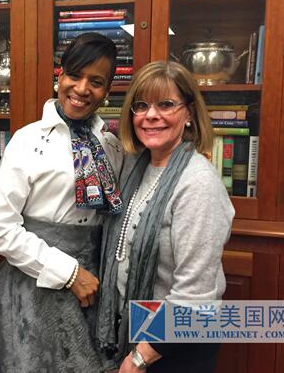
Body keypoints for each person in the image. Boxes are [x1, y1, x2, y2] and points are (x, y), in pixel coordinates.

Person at [0, 32, 123, 372]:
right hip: (33, 288)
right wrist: (70, 273)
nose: (82, 89)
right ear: (60, 75)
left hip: (93, 291)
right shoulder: (27, 141)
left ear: (107, 90)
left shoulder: (112, 146)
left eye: (96, 82)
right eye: (74, 75)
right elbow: (0, 230)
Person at [96, 60, 235, 372]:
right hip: (133, 332)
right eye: (141, 105)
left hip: (173, 349)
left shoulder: (198, 183)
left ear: (189, 113)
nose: (151, 115)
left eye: (166, 104)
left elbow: (194, 296)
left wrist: (140, 356)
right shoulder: (134, 167)